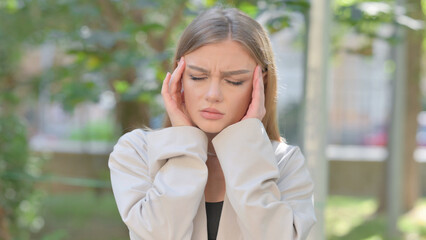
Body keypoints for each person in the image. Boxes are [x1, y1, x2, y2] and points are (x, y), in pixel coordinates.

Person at [109, 6, 316, 240]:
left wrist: (245, 145)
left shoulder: (286, 163)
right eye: (198, 77)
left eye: (234, 81)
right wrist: (185, 141)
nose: (213, 94)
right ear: (179, 75)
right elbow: (159, 235)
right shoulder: (136, 151)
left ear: (260, 83)